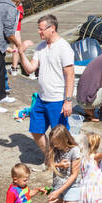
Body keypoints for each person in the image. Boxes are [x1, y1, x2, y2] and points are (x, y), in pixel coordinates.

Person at [19, 14, 75, 164]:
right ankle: (50, 158)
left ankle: (67, 161)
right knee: (36, 131)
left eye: (41, 29)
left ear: (52, 28)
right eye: (38, 29)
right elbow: (30, 69)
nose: (39, 32)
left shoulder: (64, 47)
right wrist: (21, 53)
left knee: (60, 135)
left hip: (57, 99)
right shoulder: (41, 47)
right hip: (41, 98)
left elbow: (70, 75)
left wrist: (68, 100)